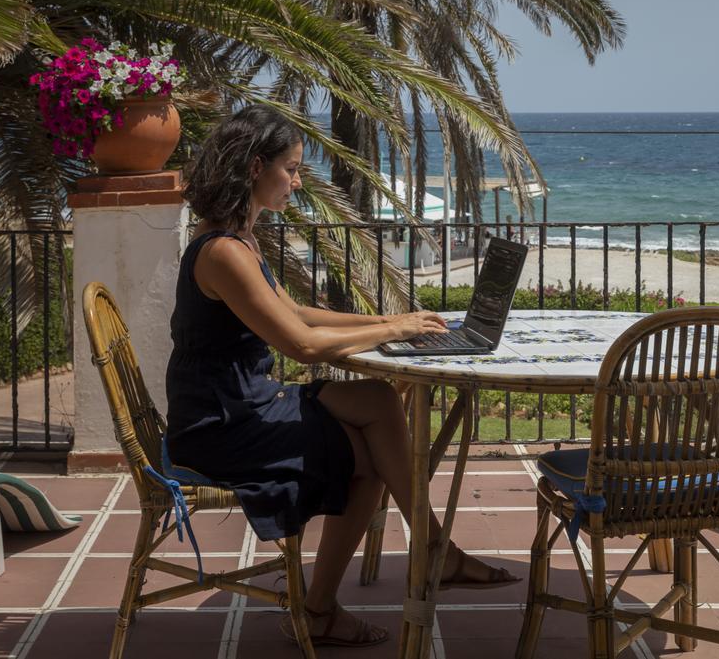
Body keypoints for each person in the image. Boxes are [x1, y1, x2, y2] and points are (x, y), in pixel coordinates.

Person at [166, 105, 519, 648]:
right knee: (367, 461)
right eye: (291, 168)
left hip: (244, 402)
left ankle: (430, 552)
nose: (298, 182)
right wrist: (389, 330)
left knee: (377, 398)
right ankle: (329, 604)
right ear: (256, 167)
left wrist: (390, 321)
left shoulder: (238, 238)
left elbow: (300, 313)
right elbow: (301, 345)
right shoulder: (222, 254)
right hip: (222, 424)